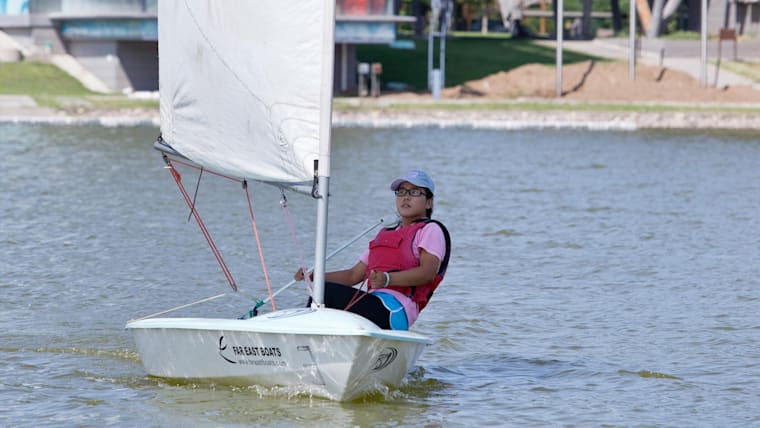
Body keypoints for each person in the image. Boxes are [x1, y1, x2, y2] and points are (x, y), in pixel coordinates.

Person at [295, 169, 450, 330]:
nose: (406, 196)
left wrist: (388, 279)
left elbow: (428, 273)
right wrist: (315, 277)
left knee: (327, 293)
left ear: (429, 202)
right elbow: (353, 275)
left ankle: (303, 337)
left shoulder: (430, 230)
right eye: (401, 191)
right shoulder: (385, 234)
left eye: (415, 192)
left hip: (395, 311)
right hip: (372, 305)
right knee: (320, 291)